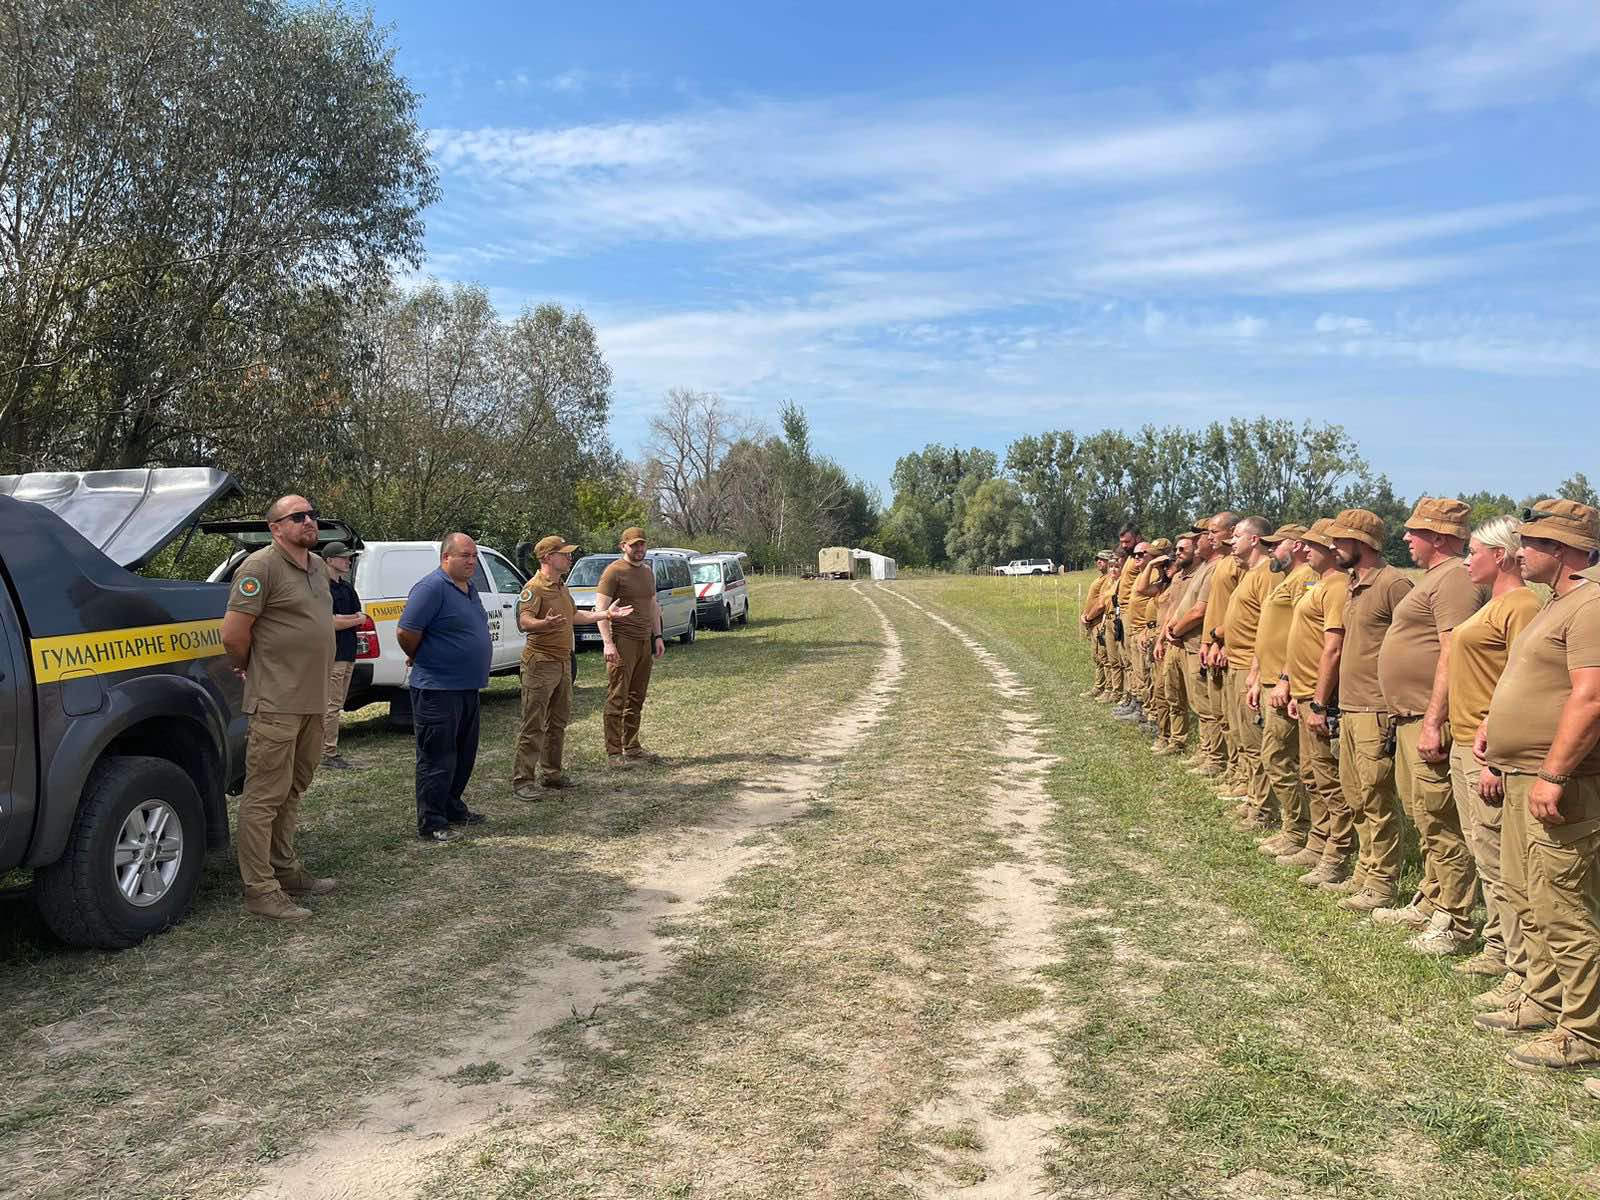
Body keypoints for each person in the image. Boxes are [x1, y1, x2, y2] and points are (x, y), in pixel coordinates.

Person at [1474, 499, 1600, 1073]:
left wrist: (1553, 774)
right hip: (1525, 773)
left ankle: (1585, 1031)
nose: (1519, 552)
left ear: (1563, 550)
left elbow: (1590, 697)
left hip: (1559, 782)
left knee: (1564, 903)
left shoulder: (1592, 603)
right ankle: (1544, 1000)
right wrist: (1492, 730)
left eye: (1531, 543)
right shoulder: (1560, 602)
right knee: (1531, 898)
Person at [1376, 499, 1488, 952]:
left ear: (1439, 537)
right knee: (1423, 815)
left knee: (1441, 820)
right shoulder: (1437, 578)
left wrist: (1434, 719)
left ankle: (1455, 919)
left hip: (1428, 718)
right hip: (1411, 717)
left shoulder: (1456, 580)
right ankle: (1432, 896)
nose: (1405, 538)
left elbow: (1453, 652)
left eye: (1413, 531)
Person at [220, 494, 338, 920]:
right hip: (276, 701)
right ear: (275, 527)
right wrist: (247, 666)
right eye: (299, 516)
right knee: (264, 796)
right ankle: (260, 890)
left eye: (312, 515)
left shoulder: (318, 566)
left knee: (292, 788)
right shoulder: (259, 568)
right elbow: (234, 633)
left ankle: (285, 870)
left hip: (312, 701)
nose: (310, 521)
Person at [1448, 515, 1540, 1001]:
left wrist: (1494, 757)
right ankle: (1499, 944)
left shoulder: (1521, 607)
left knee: (1503, 862)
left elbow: (1519, 684)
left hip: (1488, 750)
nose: (1468, 560)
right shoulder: (1495, 604)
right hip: (1467, 742)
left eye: (1474, 552)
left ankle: (1520, 966)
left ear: (1500, 555)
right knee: (1484, 852)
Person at [1328, 508, 1413, 913]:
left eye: (1340, 541)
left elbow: (1418, 643)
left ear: (1362, 544)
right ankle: (1365, 871)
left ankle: (1382, 883)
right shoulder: (1353, 583)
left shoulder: (1394, 584)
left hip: (1376, 710)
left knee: (1376, 797)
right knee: (1355, 795)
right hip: (1349, 706)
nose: (1333, 547)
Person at [512, 535, 633, 799]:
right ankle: (523, 781)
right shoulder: (534, 588)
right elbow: (524, 621)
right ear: (546, 558)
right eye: (563, 554)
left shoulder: (561, 586)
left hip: (563, 662)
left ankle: (552, 774)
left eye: (569, 554)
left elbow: (574, 616)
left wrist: (606, 614)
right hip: (540, 663)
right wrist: (543, 624)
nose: (569, 558)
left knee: (557, 722)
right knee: (533, 724)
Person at [397, 534, 493, 843]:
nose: (471, 561)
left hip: (467, 687)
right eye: (464, 555)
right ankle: (432, 820)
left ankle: (452, 806)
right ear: (445, 558)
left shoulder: (469, 588)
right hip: (437, 688)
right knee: (437, 757)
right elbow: (406, 631)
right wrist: (421, 654)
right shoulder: (431, 587)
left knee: (464, 754)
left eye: (474, 556)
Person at [1274, 518, 1354, 887]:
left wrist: (1320, 701)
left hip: (1319, 699)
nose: (1303, 550)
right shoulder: (1318, 585)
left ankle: (1337, 855)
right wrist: (1292, 684)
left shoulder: (1336, 587)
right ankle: (1318, 841)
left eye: (1312, 545)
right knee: (1312, 775)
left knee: (1329, 781)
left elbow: (1333, 648)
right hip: (1304, 695)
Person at [1248, 525, 1313, 858]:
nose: (1271, 549)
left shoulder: (1305, 579)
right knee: (1277, 755)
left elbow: (1305, 633)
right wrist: (1258, 673)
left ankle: (1297, 830)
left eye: (1277, 544)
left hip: (1286, 683)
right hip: (1272, 679)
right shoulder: (1288, 579)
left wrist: (1286, 678)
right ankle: (1297, 827)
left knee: (1276, 755)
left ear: (1297, 545)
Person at [1219, 517, 1276, 830]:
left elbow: (1267, 626)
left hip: (1248, 665)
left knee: (1255, 742)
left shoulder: (1266, 573)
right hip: (1235, 662)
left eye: (1237, 535)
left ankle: (1263, 810)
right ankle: (1253, 797)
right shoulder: (1248, 573)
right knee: (1242, 736)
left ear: (1255, 539)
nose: (1232, 541)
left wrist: (1255, 670)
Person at [597, 527, 666, 766]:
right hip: (622, 640)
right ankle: (614, 752)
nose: (638, 549)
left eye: (642, 544)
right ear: (623, 546)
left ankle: (632, 746)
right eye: (634, 545)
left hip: (643, 640)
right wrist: (608, 643)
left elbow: (653, 605)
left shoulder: (647, 572)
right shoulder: (613, 572)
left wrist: (657, 636)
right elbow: (601, 610)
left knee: (637, 696)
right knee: (618, 695)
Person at [1201, 513, 1244, 793]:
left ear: (1230, 531)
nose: (1209, 536)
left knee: (1235, 718)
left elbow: (1241, 612)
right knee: (1222, 712)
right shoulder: (1224, 563)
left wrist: (1224, 642)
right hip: (1215, 643)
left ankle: (1241, 775)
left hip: (1230, 646)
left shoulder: (1239, 566)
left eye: (1214, 531)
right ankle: (1231, 769)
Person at [1153, 534, 1199, 756]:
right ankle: (1174, 739)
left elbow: (1198, 611)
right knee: (1169, 692)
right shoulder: (1179, 578)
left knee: (1195, 699)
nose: (1178, 553)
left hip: (1189, 642)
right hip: (1172, 642)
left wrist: (1176, 631)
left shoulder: (1200, 575)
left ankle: (1203, 749)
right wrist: (1162, 638)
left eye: (1183, 549)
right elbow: (1171, 610)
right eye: (1177, 549)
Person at [321, 542, 364, 771]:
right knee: (331, 705)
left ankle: (327, 749)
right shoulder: (322, 587)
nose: (348, 561)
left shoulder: (346, 588)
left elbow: (361, 615)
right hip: (332, 655)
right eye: (343, 558)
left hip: (349, 653)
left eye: (349, 558)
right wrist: (353, 620)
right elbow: (330, 623)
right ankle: (327, 752)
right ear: (329, 560)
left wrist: (347, 620)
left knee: (337, 704)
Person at [1080, 551, 1114, 700]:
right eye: (1097, 559)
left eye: (1103, 559)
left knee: (1104, 656)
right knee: (1097, 656)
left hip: (1100, 622)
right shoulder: (1100, 578)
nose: (1099, 562)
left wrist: (1088, 616)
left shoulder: (1108, 579)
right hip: (1093, 622)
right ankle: (1099, 686)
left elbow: (1101, 604)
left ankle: (1108, 688)